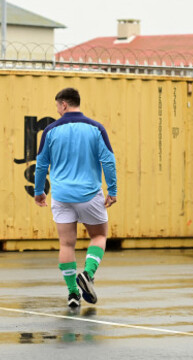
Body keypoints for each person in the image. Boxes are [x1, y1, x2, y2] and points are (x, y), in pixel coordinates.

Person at [33, 88, 117, 308]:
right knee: (99, 236)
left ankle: (72, 293)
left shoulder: (50, 130)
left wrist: (39, 191)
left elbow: (41, 163)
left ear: (63, 105)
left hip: (61, 196)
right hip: (89, 194)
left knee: (66, 244)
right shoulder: (96, 128)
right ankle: (88, 275)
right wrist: (113, 190)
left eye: (57, 107)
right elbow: (108, 161)